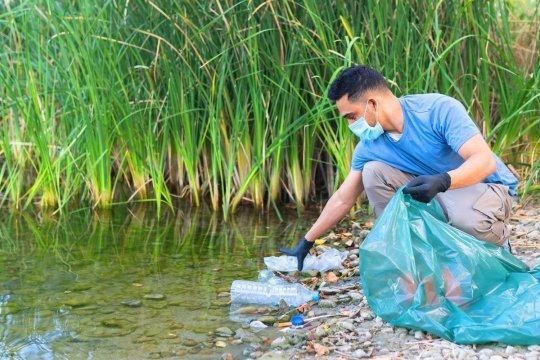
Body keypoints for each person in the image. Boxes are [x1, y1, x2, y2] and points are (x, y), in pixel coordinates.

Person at [280, 65, 519, 271]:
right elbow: (343, 198)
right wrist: (307, 241)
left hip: (489, 188)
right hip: (441, 193)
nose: (351, 125)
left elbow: (484, 161)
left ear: (371, 104)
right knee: (372, 172)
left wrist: (443, 181)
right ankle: (419, 256)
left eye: (351, 116)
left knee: (463, 218)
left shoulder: (436, 110)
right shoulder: (369, 146)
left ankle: (496, 242)